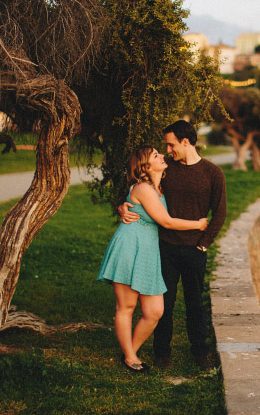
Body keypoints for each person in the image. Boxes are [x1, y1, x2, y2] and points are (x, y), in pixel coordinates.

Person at [119, 120, 226, 370]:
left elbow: (219, 213)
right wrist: (123, 206)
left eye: (171, 144)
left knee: (195, 304)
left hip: (195, 249)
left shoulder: (213, 173)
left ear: (185, 142)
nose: (168, 150)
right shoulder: (167, 171)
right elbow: (141, 193)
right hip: (164, 248)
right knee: (164, 302)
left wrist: (204, 244)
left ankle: (200, 353)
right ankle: (162, 354)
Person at [97, 146, 208, 373]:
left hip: (148, 251)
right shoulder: (144, 188)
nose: (162, 156)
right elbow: (166, 221)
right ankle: (130, 357)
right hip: (130, 245)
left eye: (160, 153)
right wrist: (199, 224)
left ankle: (130, 351)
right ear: (145, 166)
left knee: (155, 311)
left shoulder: (159, 188)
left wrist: (122, 206)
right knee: (126, 306)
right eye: (155, 155)